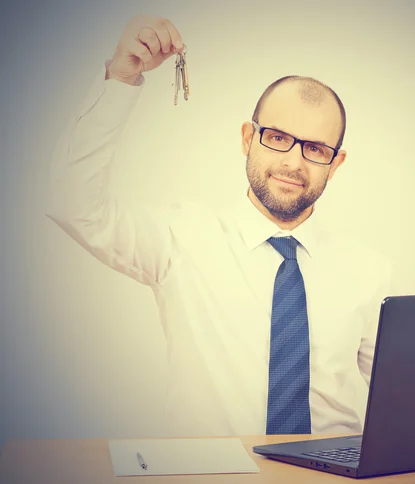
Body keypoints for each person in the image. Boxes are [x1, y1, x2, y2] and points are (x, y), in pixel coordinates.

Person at [46, 15, 392, 436]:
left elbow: (401, 399)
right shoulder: (180, 240)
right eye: (278, 138)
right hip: (215, 473)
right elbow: (72, 203)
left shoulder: (367, 269)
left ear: (334, 165)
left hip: (331, 474)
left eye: (315, 148)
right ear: (248, 138)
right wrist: (121, 78)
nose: (293, 162)